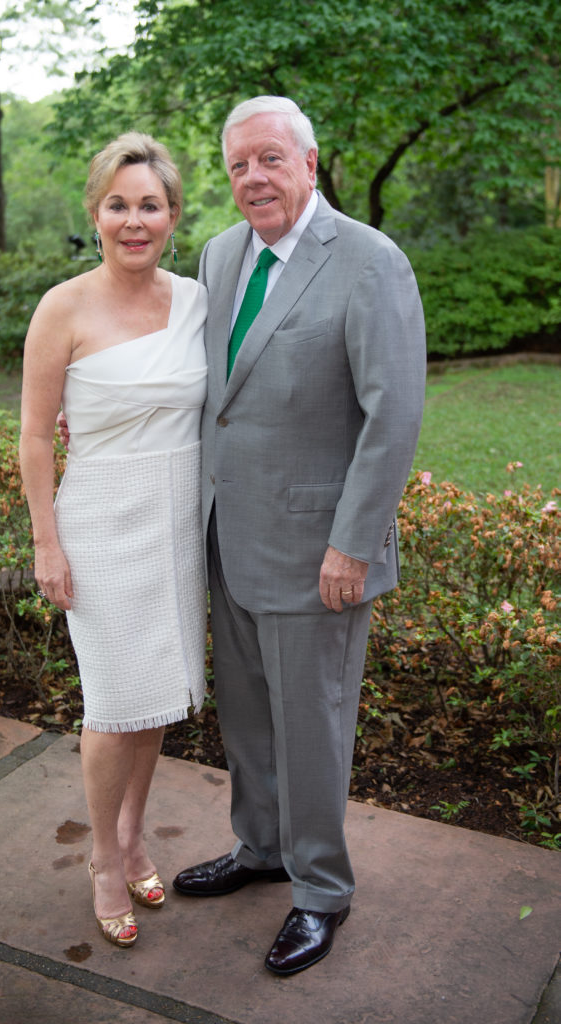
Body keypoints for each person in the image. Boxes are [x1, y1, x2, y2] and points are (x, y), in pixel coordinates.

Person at [170, 97, 426, 976]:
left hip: (320, 553)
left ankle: (320, 891)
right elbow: (222, 394)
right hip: (228, 537)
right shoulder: (219, 253)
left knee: (312, 725)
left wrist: (353, 544)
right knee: (246, 716)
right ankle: (261, 848)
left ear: (311, 165)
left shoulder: (369, 262)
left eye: (271, 160)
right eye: (239, 164)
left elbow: (392, 419)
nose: (253, 179)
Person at [19, 133, 208, 949]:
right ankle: (102, 859)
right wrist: (46, 544)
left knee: (157, 691)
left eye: (151, 206)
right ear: (95, 212)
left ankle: (136, 834)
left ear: (172, 216)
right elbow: (33, 437)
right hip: (99, 520)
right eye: (119, 205)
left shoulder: (199, 301)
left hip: (177, 522)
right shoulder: (63, 306)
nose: (136, 221)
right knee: (113, 701)